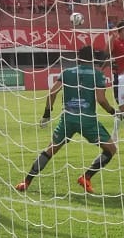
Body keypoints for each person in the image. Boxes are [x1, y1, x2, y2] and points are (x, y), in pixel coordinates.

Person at [16, 46, 117, 194]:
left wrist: (47, 114)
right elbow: (101, 100)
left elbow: (52, 93)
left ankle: (26, 182)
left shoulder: (67, 73)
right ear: (93, 59)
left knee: (50, 150)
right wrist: (113, 112)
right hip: (87, 121)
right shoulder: (98, 75)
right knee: (111, 149)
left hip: (68, 119)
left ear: (78, 58)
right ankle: (86, 177)